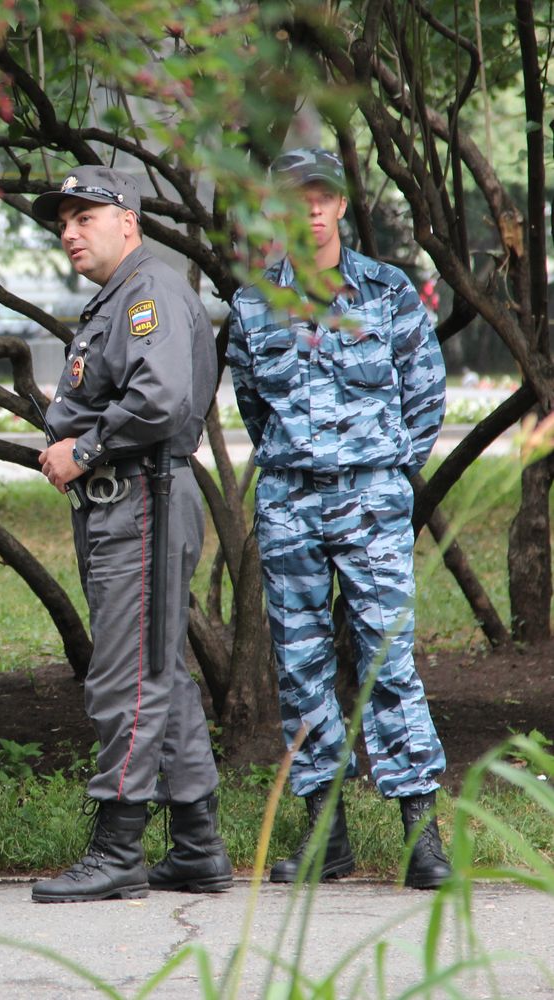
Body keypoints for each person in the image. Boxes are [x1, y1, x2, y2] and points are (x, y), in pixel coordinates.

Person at [226, 147, 450, 889]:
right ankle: (328, 837)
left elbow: (425, 397)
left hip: (371, 502)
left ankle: (422, 839)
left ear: (342, 205)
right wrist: (302, 460)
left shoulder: (387, 291)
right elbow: (255, 410)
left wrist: (382, 471)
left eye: (322, 196)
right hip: (289, 502)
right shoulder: (253, 306)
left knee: (389, 659)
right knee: (301, 669)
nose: (311, 209)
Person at [28, 166, 231, 903]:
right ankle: (198, 847)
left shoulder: (148, 294)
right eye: (63, 223)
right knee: (160, 672)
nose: (70, 232)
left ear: (128, 221)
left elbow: (161, 398)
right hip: (127, 500)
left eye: (84, 217)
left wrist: (82, 449)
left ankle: (117, 849)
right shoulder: (120, 296)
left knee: (125, 677)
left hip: (143, 498)